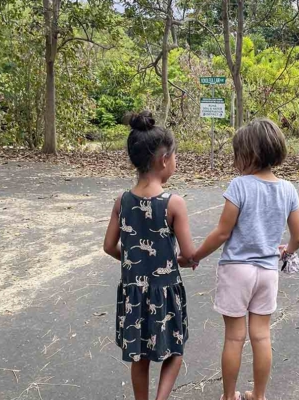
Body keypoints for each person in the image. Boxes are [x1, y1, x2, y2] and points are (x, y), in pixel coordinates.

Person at [186, 118, 299, 400]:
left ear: (250, 154)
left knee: (234, 338)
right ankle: (259, 396)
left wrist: (195, 256)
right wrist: (284, 252)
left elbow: (222, 233)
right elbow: (298, 237)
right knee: (262, 337)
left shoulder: (239, 186)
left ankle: (229, 397)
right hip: (267, 271)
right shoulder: (288, 189)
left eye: (237, 153)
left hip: (237, 270)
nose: (235, 160)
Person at [103, 111, 196, 400]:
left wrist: (134, 261)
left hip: (134, 295)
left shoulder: (122, 201)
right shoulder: (174, 203)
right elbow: (189, 253)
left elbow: (109, 246)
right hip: (164, 294)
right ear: (164, 159)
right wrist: (184, 260)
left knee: (138, 357)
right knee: (175, 349)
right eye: (175, 156)